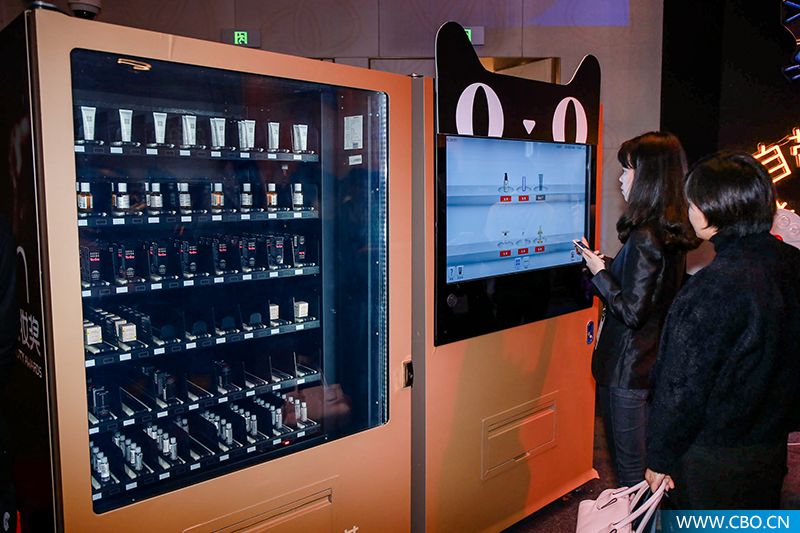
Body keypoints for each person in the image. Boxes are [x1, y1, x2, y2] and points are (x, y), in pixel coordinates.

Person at [645, 152, 800, 508]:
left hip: (711, 458)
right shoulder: (791, 263)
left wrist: (659, 456)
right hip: (770, 445)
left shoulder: (712, 288)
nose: (688, 211)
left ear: (713, 208)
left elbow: (681, 387)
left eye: (691, 202)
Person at [578, 131, 697, 488]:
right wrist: (608, 265)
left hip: (626, 370)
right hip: (649, 363)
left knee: (633, 477)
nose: (620, 178)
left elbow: (632, 311)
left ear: (648, 177)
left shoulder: (645, 235)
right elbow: (650, 291)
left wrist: (599, 274)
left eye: (628, 170)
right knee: (647, 469)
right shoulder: (670, 230)